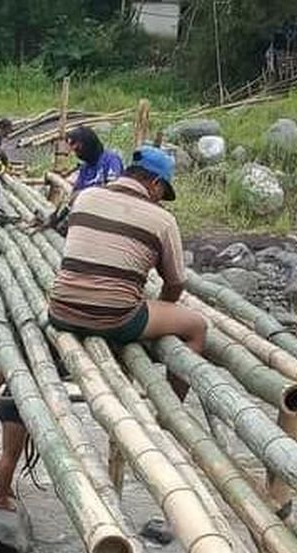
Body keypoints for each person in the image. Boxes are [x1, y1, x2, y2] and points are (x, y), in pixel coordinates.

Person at [48, 146, 207, 400]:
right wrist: (159, 309)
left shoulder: (85, 197)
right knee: (197, 327)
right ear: (155, 183)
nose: (159, 199)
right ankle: (172, 408)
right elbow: (176, 283)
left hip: (60, 309)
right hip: (115, 318)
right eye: (162, 193)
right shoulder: (162, 220)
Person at [67, 126, 124, 192]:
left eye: (78, 149)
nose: (77, 154)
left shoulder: (111, 160)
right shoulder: (85, 168)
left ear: (87, 143)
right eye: (75, 151)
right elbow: (76, 191)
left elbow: (113, 189)